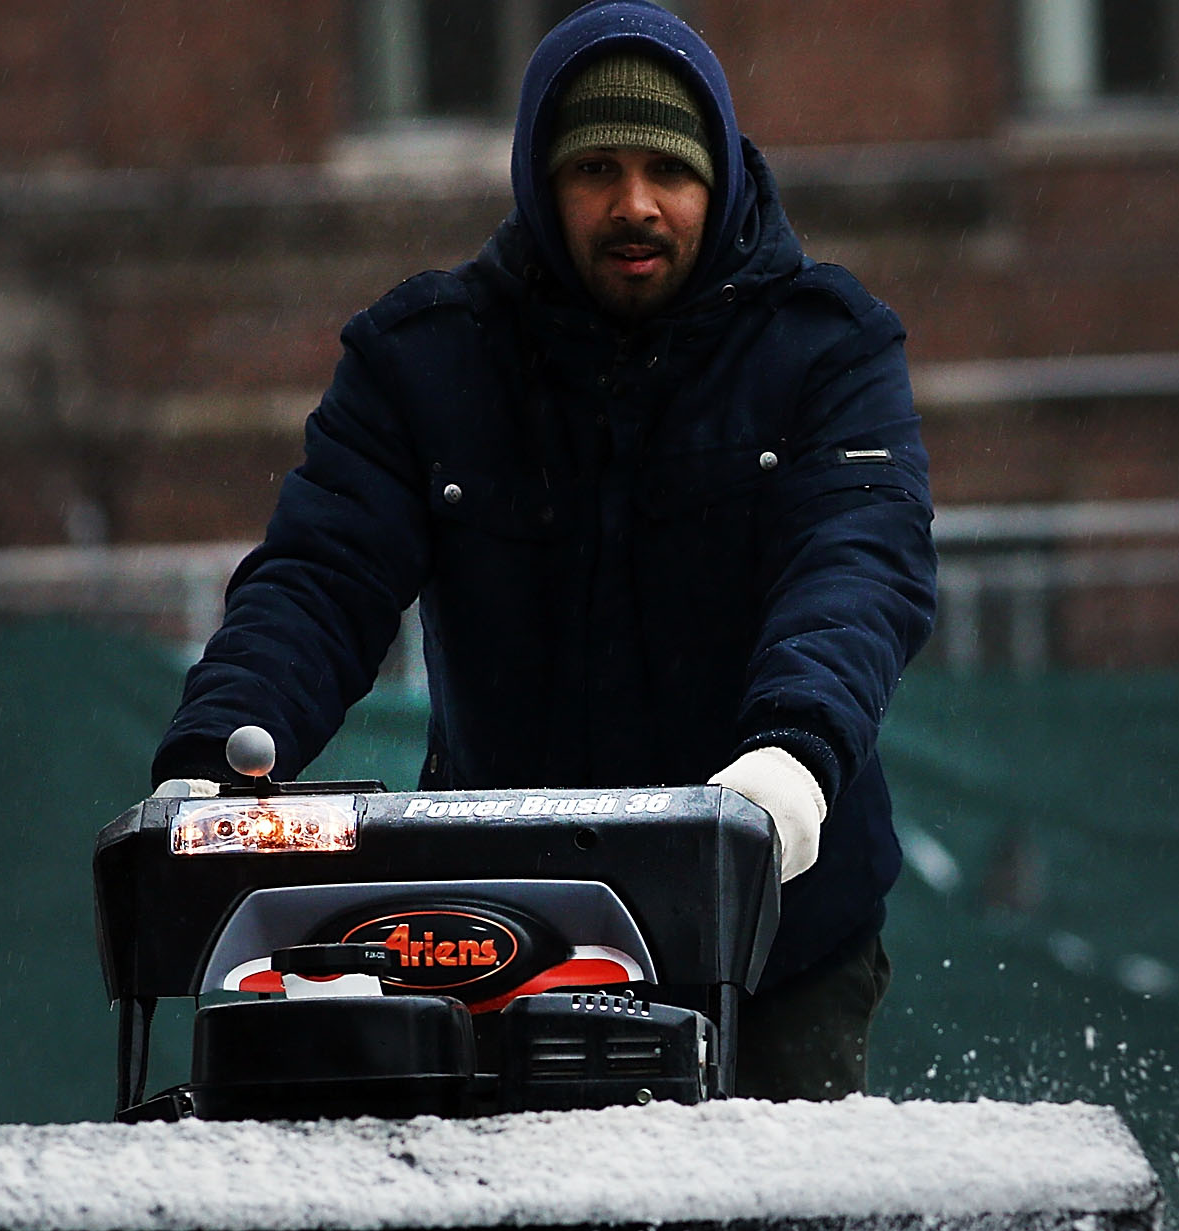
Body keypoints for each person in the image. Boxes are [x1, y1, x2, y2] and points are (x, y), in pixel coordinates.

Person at [155, 1, 935, 1100]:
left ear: (719, 175)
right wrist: (219, 748)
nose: (636, 204)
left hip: (775, 938)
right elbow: (322, 577)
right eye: (595, 170)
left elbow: (859, 563)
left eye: (669, 168)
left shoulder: (828, 350)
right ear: (538, 181)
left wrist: (789, 761)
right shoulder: (424, 365)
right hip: (502, 939)